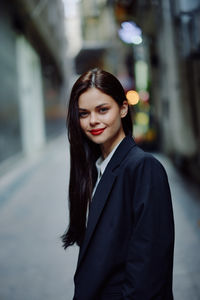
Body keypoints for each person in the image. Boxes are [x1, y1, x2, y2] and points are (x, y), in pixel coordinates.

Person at [61, 68, 174, 300]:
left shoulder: (143, 168)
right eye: (83, 113)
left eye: (103, 110)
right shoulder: (97, 168)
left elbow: (149, 272)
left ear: (123, 109)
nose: (93, 121)